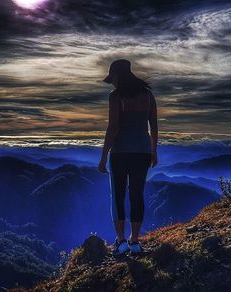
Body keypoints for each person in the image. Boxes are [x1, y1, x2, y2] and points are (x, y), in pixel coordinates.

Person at [98, 59, 158, 255]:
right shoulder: (148, 95)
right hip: (143, 152)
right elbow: (154, 126)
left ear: (118, 76)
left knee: (118, 196)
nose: (112, 82)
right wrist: (154, 151)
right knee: (136, 194)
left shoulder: (116, 97)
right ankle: (135, 241)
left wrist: (103, 155)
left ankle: (121, 241)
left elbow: (113, 128)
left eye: (113, 78)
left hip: (120, 153)